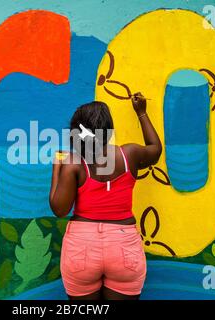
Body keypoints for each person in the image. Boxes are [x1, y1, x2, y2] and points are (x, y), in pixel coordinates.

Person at [49, 93, 162, 300]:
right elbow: (155, 149)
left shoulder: (74, 163)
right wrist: (142, 113)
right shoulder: (130, 154)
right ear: (108, 131)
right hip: (123, 245)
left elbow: (59, 209)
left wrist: (57, 168)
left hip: (82, 247)